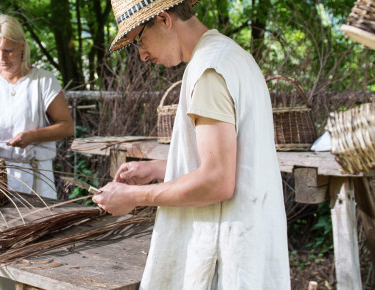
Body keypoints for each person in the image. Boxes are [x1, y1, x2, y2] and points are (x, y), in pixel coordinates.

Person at [92, 0, 290, 288]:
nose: (143, 55)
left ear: (163, 20)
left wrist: (133, 197)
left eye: (140, 41)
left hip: (228, 257)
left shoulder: (208, 71)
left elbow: (217, 181)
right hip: (251, 243)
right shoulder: (232, 56)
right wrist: (159, 168)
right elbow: (233, 160)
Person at [0, 14, 73, 200]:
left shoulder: (42, 81)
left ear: (22, 46)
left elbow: (66, 125)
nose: (1, 58)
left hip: (35, 178)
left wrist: (33, 136)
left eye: (8, 50)